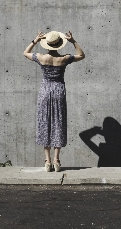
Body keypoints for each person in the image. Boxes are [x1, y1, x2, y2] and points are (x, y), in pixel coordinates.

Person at [23, 30, 85, 172]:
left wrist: (35, 40)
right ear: (59, 45)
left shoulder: (41, 57)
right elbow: (81, 55)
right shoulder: (64, 58)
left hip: (45, 91)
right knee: (58, 122)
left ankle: (47, 161)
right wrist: (73, 41)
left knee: (45, 122)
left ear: (47, 45)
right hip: (59, 91)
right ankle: (57, 160)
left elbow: (25, 53)